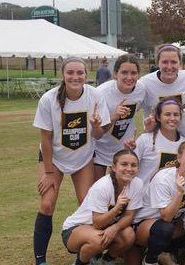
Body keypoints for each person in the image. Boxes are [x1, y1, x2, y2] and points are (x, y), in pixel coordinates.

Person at [32, 57, 111, 265]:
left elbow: (100, 134)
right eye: (70, 73)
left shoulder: (95, 95)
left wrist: (95, 126)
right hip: (54, 159)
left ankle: (84, 256)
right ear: (63, 75)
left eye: (80, 73)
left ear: (87, 75)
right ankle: (40, 260)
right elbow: (45, 138)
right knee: (47, 204)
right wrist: (49, 172)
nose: (75, 77)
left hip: (83, 157)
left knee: (88, 206)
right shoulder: (49, 99)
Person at [60, 150, 144, 265]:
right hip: (75, 229)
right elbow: (97, 223)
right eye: (124, 164)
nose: (129, 169)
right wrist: (116, 208)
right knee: (99, 240)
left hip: (103, 228)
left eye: (134, 165)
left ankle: (105, 261)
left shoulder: (137, 184)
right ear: (114, 167)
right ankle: (80, 262)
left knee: (129, 235)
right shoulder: (102, 186)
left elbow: (129, 216)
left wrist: (114, 228)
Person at [131, 141, 185, 264]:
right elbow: (166, 217)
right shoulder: (164, 178)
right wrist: (179, 192)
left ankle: (171, 252)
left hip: (172, 225)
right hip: (143, 225)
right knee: (165, 228)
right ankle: (150, 260)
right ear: (179, 158)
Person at [94, 54, 149, 179]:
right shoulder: (101, 93)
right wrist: (114, 116)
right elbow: (97, 134)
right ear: (115, 74)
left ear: (138, 75)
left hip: (123, 148)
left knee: (121, 191)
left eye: (133, 73)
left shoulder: (141, 90)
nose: (129, 77)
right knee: (97, 190)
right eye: (124, 72)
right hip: (99, 149)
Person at [131, 97, 185, 184]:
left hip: (169, 197)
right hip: (143, 196)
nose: (172, 118)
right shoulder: (145, 140)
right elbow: (129, 167)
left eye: (176, 115)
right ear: (158, 117)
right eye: (167, 114)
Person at [141, 44, 185, 109]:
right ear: (157, 63)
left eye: (174, 62)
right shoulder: (145, 82)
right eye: (165, 62)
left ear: (180, 63)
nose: (169, 67)